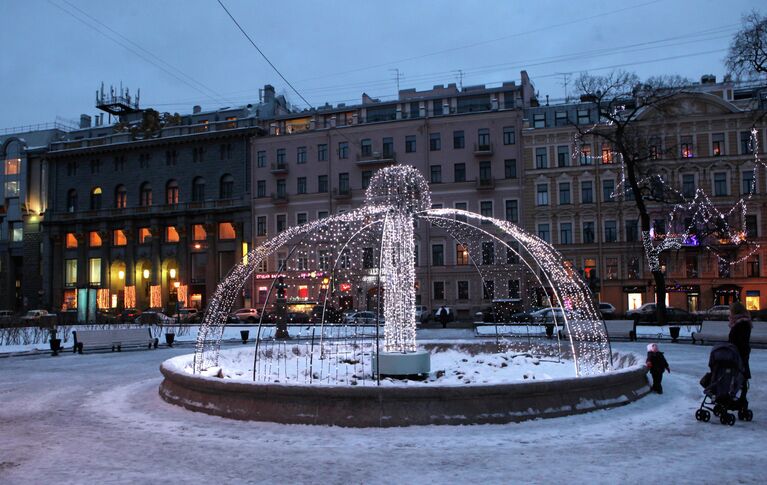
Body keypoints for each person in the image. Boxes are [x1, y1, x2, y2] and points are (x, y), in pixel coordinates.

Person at [728, 301, 752, 405]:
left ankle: (742, 397)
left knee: (740, 373)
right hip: (737, 352)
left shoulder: (741, 323)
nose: (729, 313)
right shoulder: (740, 322)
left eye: (731, 311)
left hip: (739, 352)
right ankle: (740, 396)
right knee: (740, 373)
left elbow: (738, 340)